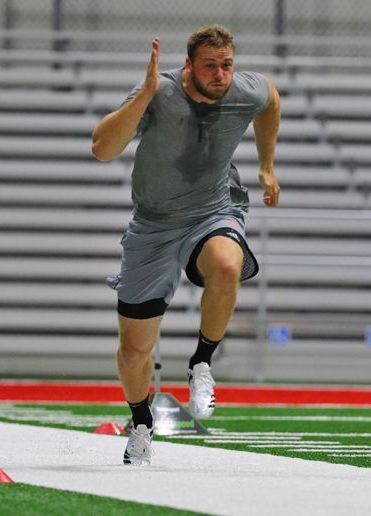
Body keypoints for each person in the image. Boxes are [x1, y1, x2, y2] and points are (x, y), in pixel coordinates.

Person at [91, 24, 281, 466]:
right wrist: (144, 95)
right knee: (135, 349)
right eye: (210, 66)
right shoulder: (160, 92)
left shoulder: (243, 90)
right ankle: (140, 424)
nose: (220, 74)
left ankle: (201, 364)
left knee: (227, 266)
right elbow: (102, 148)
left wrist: (268, 165)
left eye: (227, 65)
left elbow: (270, 99)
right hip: (154, 225)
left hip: (212, 211)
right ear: (189, 66)